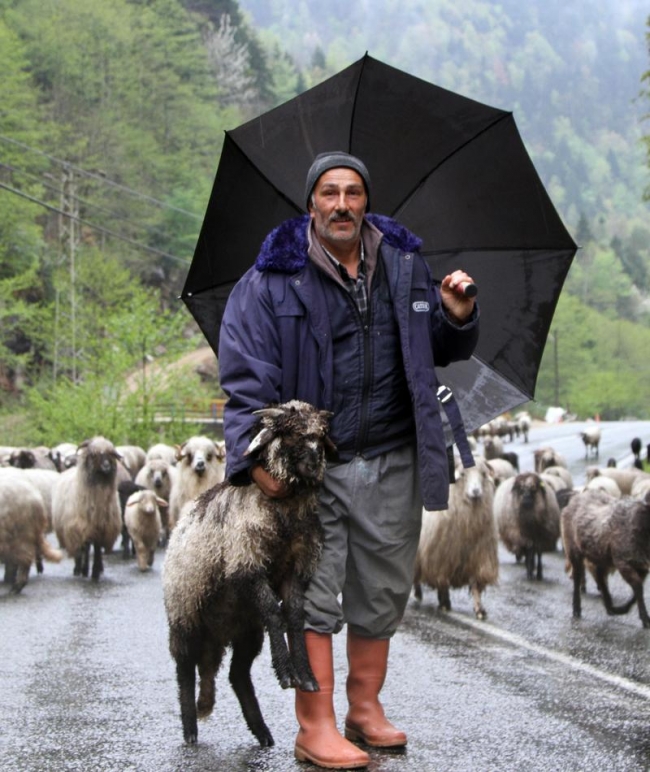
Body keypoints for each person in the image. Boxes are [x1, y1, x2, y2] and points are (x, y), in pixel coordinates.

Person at [218, 151, 479, 769]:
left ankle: (365, 708)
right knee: (311, 591)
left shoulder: (405, 265)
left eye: (353, 193)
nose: (341, 204)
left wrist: (456, 317)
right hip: (314, 467)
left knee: (383, 588)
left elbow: (433, 349)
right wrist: (253, 459)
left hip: (392, 453)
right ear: (311, 203)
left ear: (366, 201)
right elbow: (245, 377)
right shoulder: (272, 279)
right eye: (329, 193)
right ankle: (316, 725)